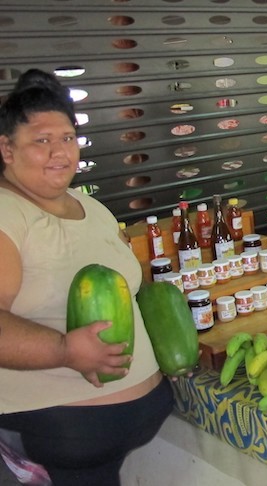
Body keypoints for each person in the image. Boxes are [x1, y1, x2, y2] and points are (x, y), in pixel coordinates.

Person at [0, 69, 173, 485]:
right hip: (58, 431)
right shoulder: (8, 214)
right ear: (6, 149)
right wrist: (64, 349)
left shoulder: (90, 206)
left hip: (110, 435)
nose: (60, 152)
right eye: (42, 141)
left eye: (67, 138)